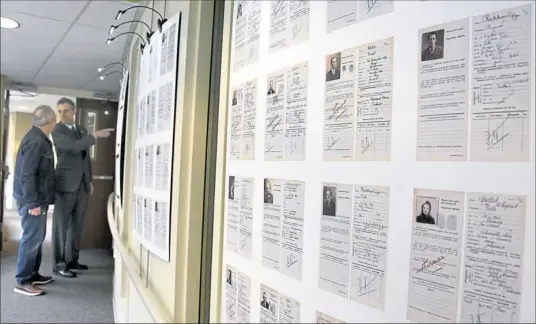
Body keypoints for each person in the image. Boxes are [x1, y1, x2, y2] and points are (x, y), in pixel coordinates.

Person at [51, 97, 114, 278]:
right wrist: (94, 136)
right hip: (65, 185)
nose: (62, 114)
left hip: (82, 185)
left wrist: (90, 180)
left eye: (66, 111)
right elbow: (72, 147)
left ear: (74, 112)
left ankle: (72, 260)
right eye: (59, 111)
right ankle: (59, 264)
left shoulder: (81, 130)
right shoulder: (57, 130)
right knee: (61, 227)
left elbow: (85, 158)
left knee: (77, 226)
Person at [13, 105, 57, 296]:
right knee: (31, 238)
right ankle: (22, 281)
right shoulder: (36, 141)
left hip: (38, 198)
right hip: (32, 200)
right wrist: (33, 204)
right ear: (50, 122)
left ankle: (33, 274)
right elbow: (28, 175)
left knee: (37, 237)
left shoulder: (39, 138)